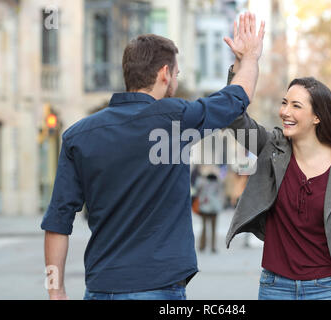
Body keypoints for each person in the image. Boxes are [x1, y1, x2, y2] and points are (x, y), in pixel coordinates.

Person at [41, 13, 265, 300]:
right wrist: (250, 59)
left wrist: (55, 289)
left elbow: (58, 220)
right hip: (158, 287)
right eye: (176, 74)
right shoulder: (177, 119)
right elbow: (237, 97)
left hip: (100, 288)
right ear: (164, 74)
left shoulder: (77, 135)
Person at [223, 26, 331, 300]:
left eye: (296, 106)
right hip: (274, 287)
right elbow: (234, 119)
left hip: (328, 289)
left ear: (317, 117)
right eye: (284, 103)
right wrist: (242, 65)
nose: (284, 112)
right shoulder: (272, 149)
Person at [195, 171, 223, 253]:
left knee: (203, 228)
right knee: (214, 229)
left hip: (204, 208)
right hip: (214, 209)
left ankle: (202, 246)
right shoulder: (218, 185)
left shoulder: (203, 184)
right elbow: (221, 196)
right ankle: (213, 247)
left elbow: (198, 193)